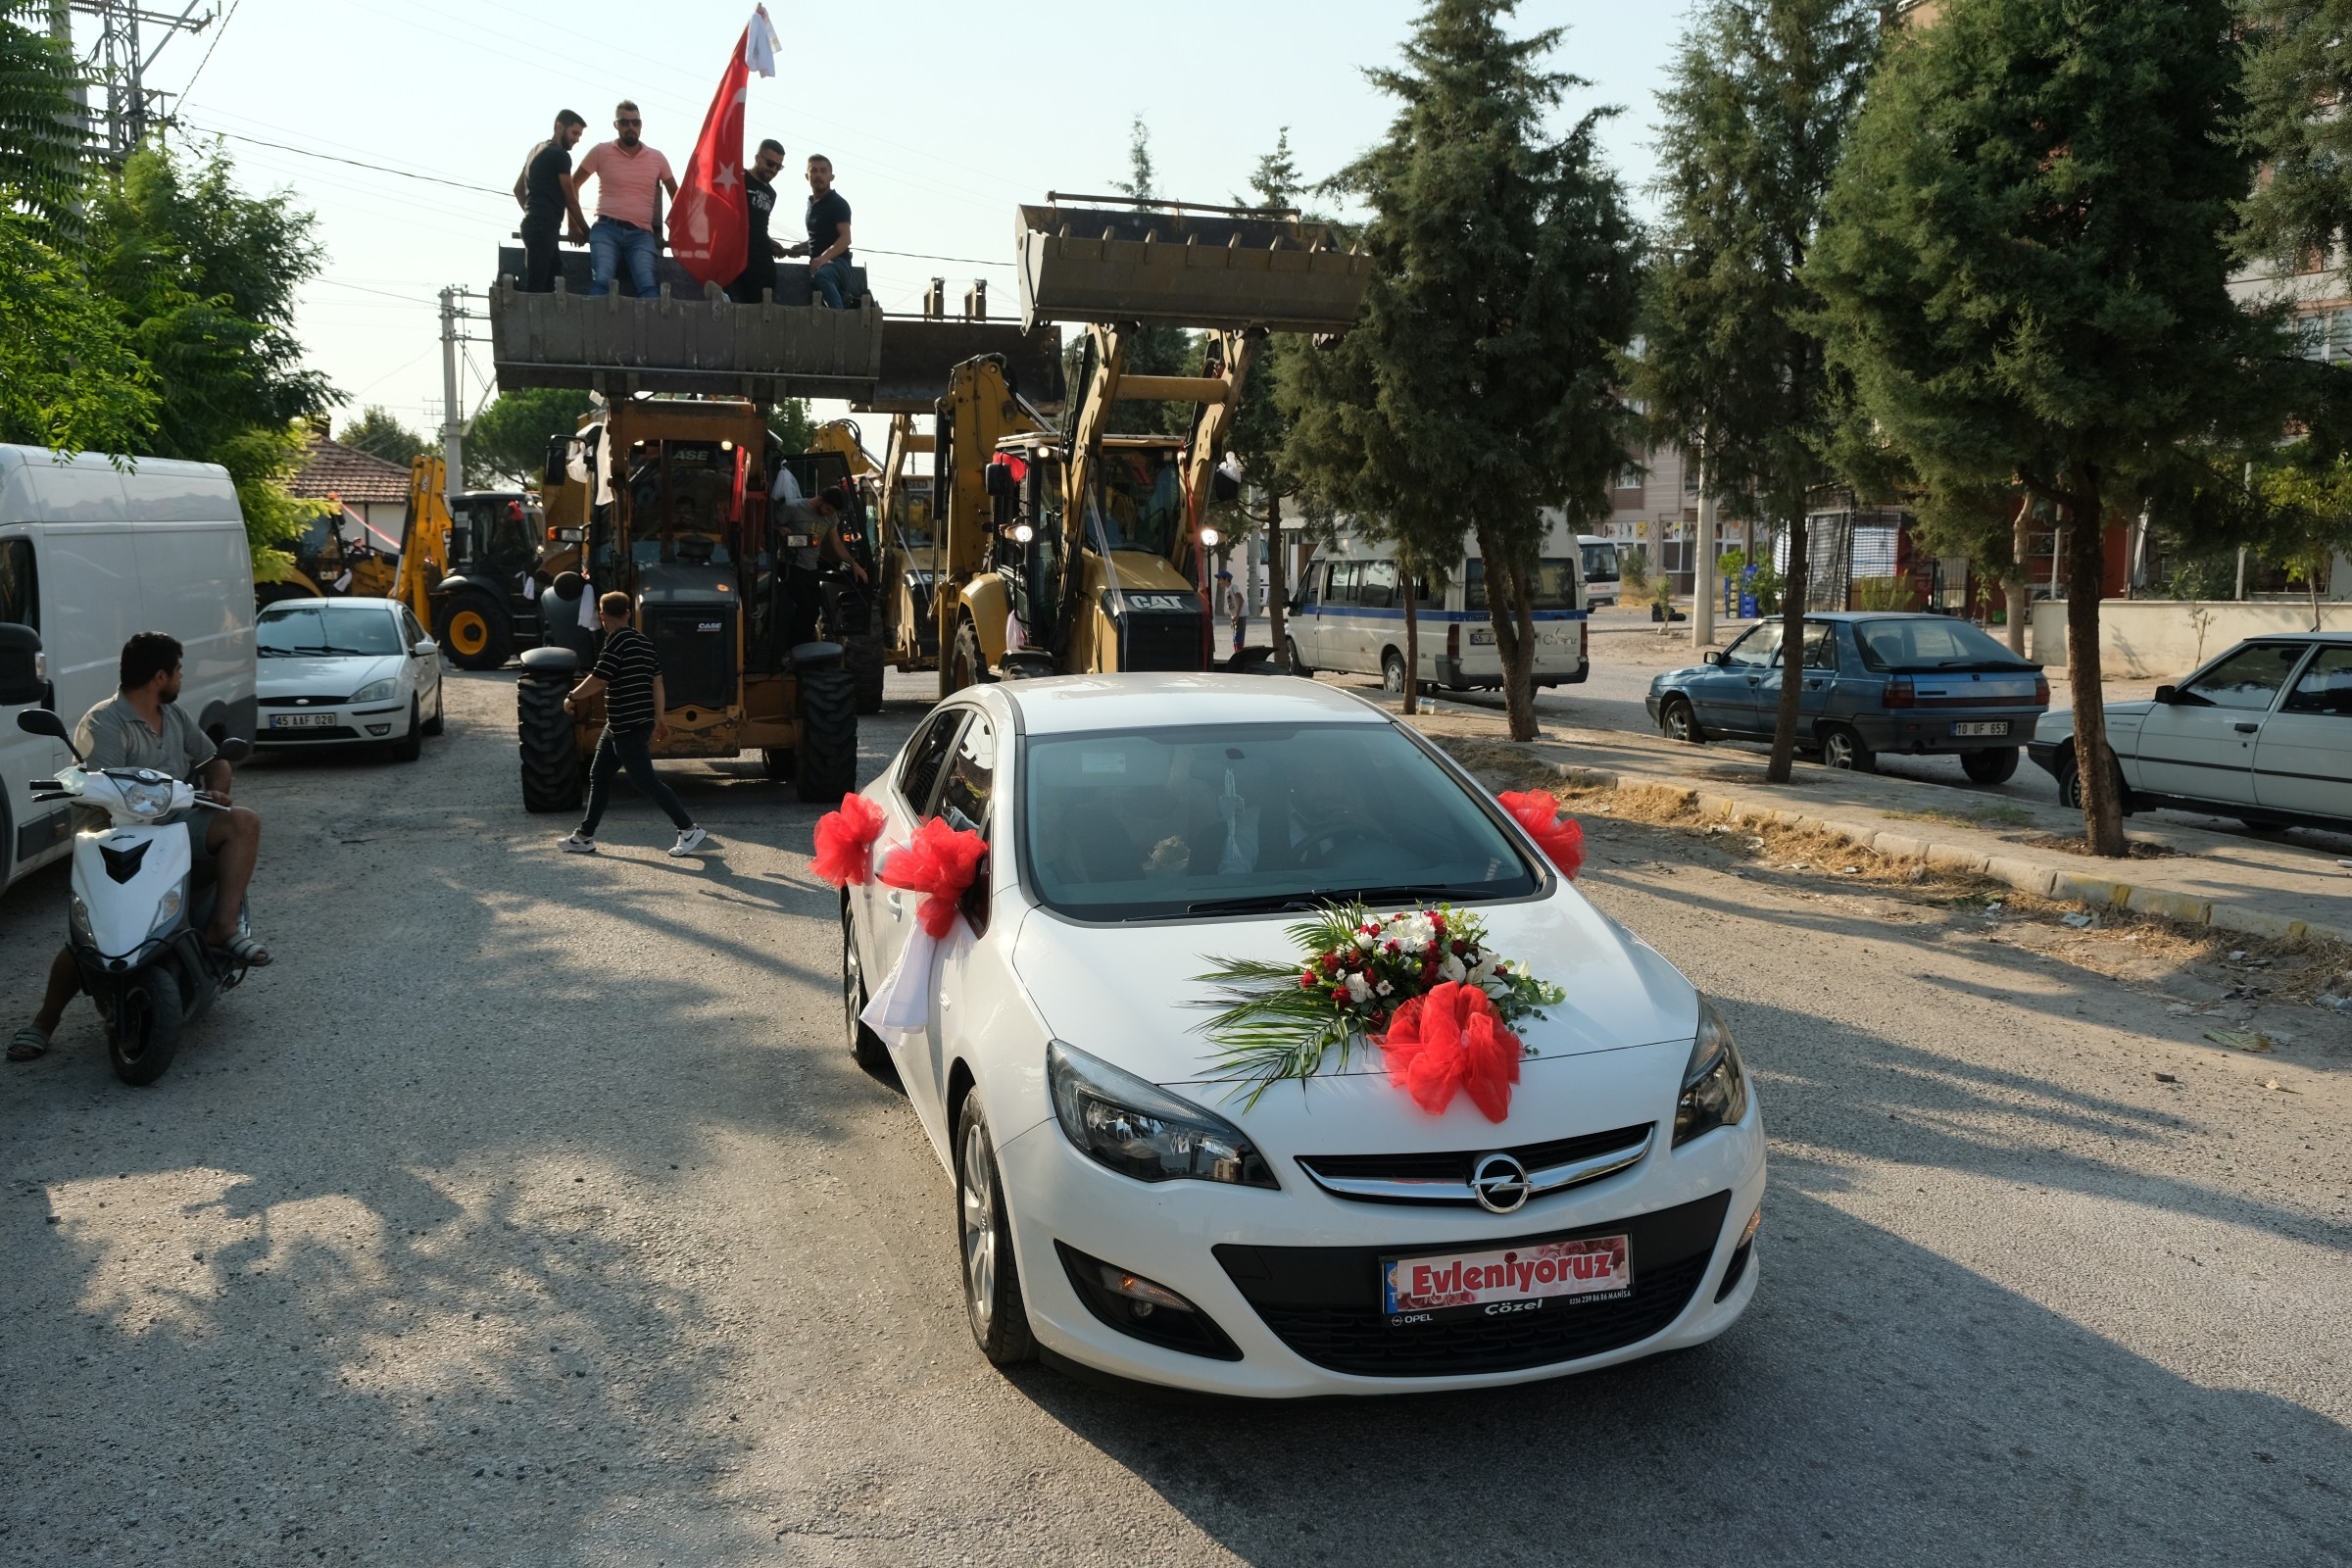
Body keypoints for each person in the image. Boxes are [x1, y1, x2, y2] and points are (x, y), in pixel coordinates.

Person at [10, 633, 270, 1063]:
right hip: (115, 834)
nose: (182, 678)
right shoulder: (104, 722)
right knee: (94, 932)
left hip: (172, 829)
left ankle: (223, 926)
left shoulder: (174, 715)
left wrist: (218, 790)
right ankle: (44, 1021)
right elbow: (108, 785)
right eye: (179, 671)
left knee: (243, 821)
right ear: (160, 676)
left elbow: (213, 760)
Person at [558, 592, 709, 858]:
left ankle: (688, 829)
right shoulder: (644, 643)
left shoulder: (615, 643)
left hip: (627, 725)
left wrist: (572, 697)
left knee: (645, 780)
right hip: (621, 725)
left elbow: (600, 679)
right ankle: (584, 836)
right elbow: (658, 682)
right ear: (628, 613)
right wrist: (660, 719)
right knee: (599, 776)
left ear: (602, 616)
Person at [574, 101, 677, 300]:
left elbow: (677, 196)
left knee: (648, 287)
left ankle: (654, 330)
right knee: (601, 281)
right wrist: (574, 225)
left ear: (641, 125)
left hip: (641, 234)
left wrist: (679, 231)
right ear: (616, 125)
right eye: (625, 122)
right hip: (606, 229)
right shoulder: (601, 151)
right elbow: (572, 185)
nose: (631, 127)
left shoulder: (657, 158)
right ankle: (596, 329)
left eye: (635, 123)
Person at [514, 109, 591, 293]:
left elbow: (518, 190)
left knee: (553, 281)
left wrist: (532, 212)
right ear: (559, 127)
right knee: (538, 288)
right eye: (574, 133)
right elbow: (570, 198)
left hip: (534, 225)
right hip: (543, 227)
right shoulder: (560, 155)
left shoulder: (536, 150)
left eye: (579, 135)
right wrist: (587, 231)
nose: (577, 139)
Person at [779, 486, 868, 645]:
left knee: (814, 609)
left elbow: (836, 544)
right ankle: (791, 648)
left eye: (833, 511)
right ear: (820, 499)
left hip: (811, 568)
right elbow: (771, 525)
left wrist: (854, 564)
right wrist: (781, 530)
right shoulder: (793, 508)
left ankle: (804, 648)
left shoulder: (831, 517)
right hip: (791, 566)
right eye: (828, 509)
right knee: (805, 609)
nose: (829, 513)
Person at [787, 154, 855, 310]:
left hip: (839, 264)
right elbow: (822, 238)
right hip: (822, 264)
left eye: (823, 171)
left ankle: (838, 319)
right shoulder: (811, 205)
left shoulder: (838, 203)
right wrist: (802, 248)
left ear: (831, 176)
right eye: (814, 171)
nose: (818, 175)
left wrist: (822, 259)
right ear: (807, 176)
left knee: (822, 276)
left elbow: (845, 239)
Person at [730, 138, 788, 306]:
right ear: (758, 158)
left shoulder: (772, 194)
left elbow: (758, 225)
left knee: (763, 300)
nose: (774, 170)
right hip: (734, 248)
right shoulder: (737, 177)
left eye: (779, 167)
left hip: (759, 254)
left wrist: (770, 242)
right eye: (770, 164)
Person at [1219, 569, 1247, 657]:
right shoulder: (1227, 590)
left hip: (1240, 616)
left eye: (1220, 579)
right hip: (1235, 617)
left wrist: (1237, 615)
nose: (1219, 581)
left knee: (1238, 637)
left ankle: (1239, 655)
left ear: (1227, 579)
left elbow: (1241, 600)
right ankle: (1237, 654)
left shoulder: (1233, 587)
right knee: (1235, 637)